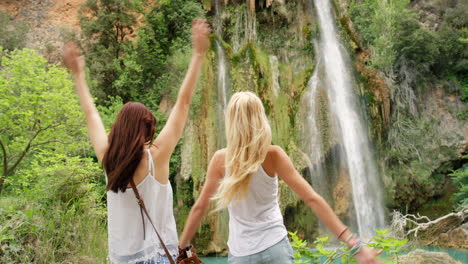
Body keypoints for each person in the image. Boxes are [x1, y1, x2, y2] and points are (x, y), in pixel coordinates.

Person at [63, 19, 211, 264]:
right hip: (161, 257)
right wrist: (197, 54)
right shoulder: (157, 156)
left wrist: (78, 75)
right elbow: (183, 103)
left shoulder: (108, 160)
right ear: (147, 132)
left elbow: (91, 113)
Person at [178, 91, 383, 264]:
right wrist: (354, 244)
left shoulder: (220, 159)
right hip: (275, 248)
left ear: (231, 121)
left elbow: (200, 208)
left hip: (241, 254)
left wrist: (182, 249)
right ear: (260, 118)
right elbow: (312, 198)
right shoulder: (273, 155)